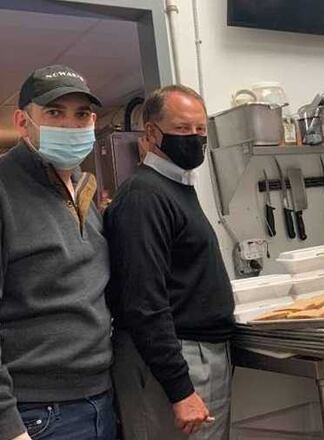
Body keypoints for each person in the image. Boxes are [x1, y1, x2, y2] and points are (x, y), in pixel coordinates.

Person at [104, 85, 235, 439]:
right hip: (176, 359)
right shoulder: (144, 196)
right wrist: (180, 389)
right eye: (182, 129)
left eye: (200, 130)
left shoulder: (177, 187)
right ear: (151, 133)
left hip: (200, 353)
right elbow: (143, 303)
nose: (194, 138)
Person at [0, 65, 115, 440]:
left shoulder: (85, 188)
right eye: (54, 113)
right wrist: (8, 426)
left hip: (99, 397)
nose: (70, 125)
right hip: (37, 412)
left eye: (81, 114)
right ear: (23, 121)